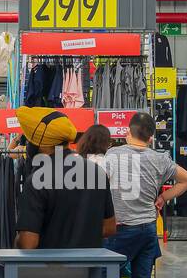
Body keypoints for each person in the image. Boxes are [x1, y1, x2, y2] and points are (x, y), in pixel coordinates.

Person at [104, 112, 187, 278]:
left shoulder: (113, 155)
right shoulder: (160, 159)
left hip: (120, 228)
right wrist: (163, 197)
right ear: (152, 136)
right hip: (147, 228)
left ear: (127, 132)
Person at [14, 107, 116, 250]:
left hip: (48, 268)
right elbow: (110, 228)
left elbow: (28, 243)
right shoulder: (97, 172)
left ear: (39, 143)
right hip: (90, 268)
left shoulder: (37, 180)